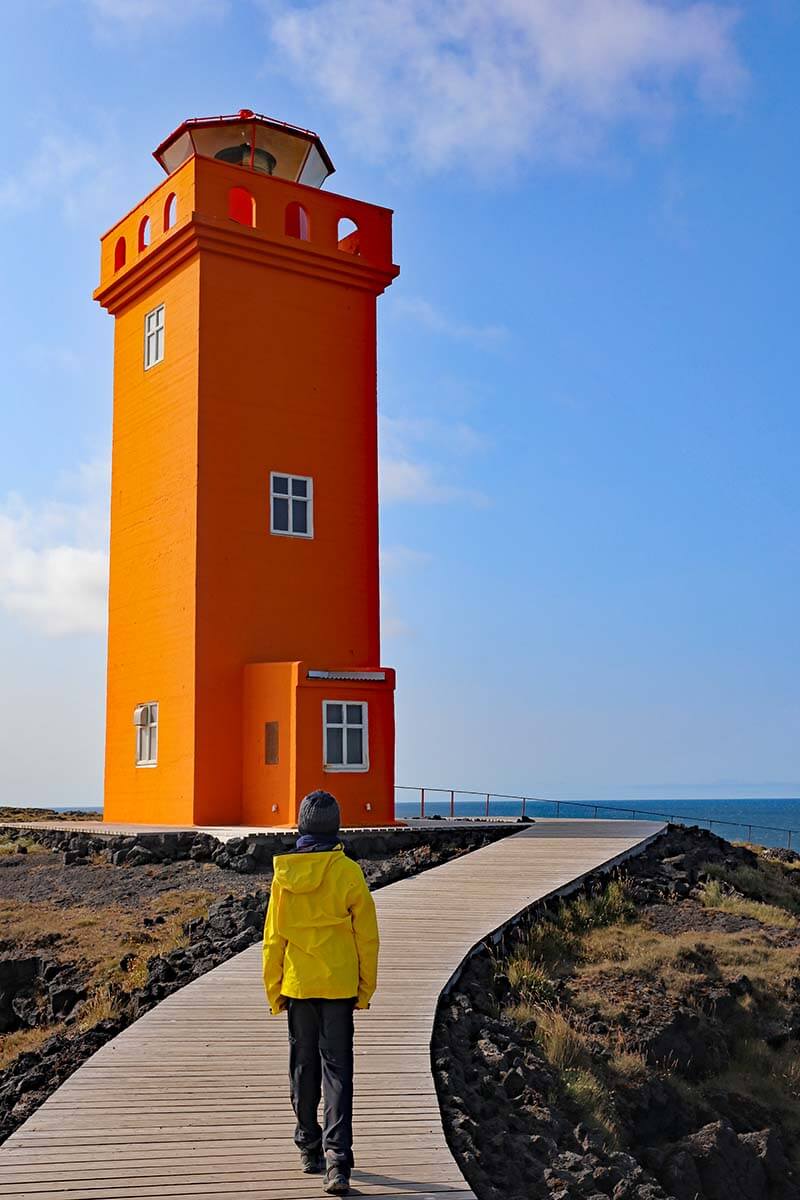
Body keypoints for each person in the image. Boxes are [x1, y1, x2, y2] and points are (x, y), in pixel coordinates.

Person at [262, 790, 379, 1196]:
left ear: (300, 827)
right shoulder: (347, 873)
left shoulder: (283, 877)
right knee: (337, 1073)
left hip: (298, 985)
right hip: (339, 987)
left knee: (302, 1066)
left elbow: (273, 939)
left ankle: (308, 1144)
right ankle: (337, 1162)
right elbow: (367, 938)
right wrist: (365, 987)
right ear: (337, 828)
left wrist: (273, 988)